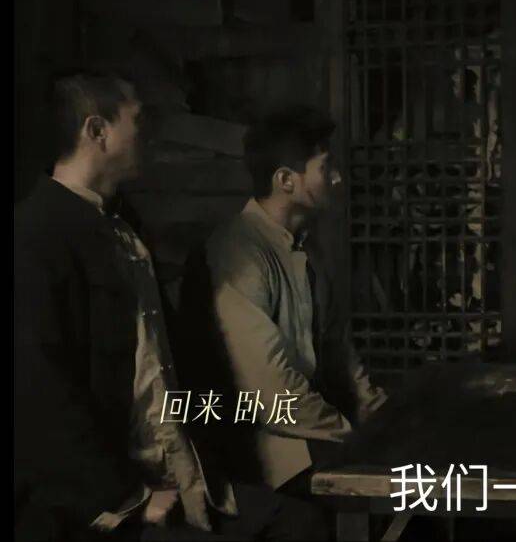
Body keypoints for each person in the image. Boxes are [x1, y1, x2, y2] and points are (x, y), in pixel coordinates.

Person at [14, 70, 327, 541]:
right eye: (138, 120)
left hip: (181, 474)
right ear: (97, 131)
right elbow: (40, 392)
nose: (149, 134)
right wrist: (128, 496)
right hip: (100, 504)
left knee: (300, 524)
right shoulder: (36, 234)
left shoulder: (121, 223)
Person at [196, 105, 388, 494]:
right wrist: (351, 433)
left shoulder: (306, 247)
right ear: (285, 180)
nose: (337, 178)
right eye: (325, 167)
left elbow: (338, 350)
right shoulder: (238, 250)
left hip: (315, 435)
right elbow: (269, 391)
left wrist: (378, 414)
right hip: (261, 453)